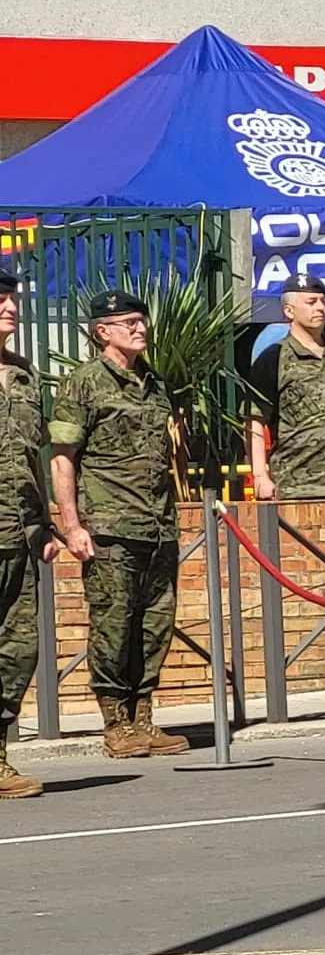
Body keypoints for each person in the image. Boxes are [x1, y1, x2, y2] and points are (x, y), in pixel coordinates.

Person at [50, 291, 187, 759]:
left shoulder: (155, 382)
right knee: (113, 625)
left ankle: (143, 717)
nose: (140, 329)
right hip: (109, 526)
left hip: (158, 526)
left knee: (155, 625)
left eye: (142, 321)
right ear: (102, 331)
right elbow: (63, 459)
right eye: (128, 322)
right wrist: (72, 525)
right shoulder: (83, 383)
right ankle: (114, 722)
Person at [0, 271, 55, 796]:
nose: (11, 307)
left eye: (12, 298)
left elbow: (34, 456)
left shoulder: (24, 376)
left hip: (17, 533)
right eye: (0, 298)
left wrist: (47, 522)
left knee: (18, 650)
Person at [244, 272, 325, 501]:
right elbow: (254, 420)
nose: (320, 308)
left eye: (323, 302)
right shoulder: (275, 358)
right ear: (289, 310)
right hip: (297, 487)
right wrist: (260, 475)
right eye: (311, 302)